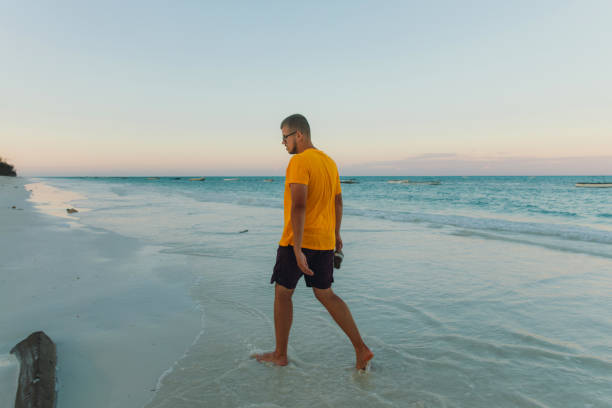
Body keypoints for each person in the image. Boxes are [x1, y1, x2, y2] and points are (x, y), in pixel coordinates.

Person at [253, 114, 373, 370]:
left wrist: (296, 248)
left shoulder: (300, 161)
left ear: (299, 135)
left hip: (297, 241)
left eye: (285, 137)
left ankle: (280, 354)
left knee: (283, 294)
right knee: (326, 294)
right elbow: (338, 201)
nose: (283, 143)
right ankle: (361, 349)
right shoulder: (329, 162)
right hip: (324, 241)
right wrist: (336, 234)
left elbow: (299, 205)